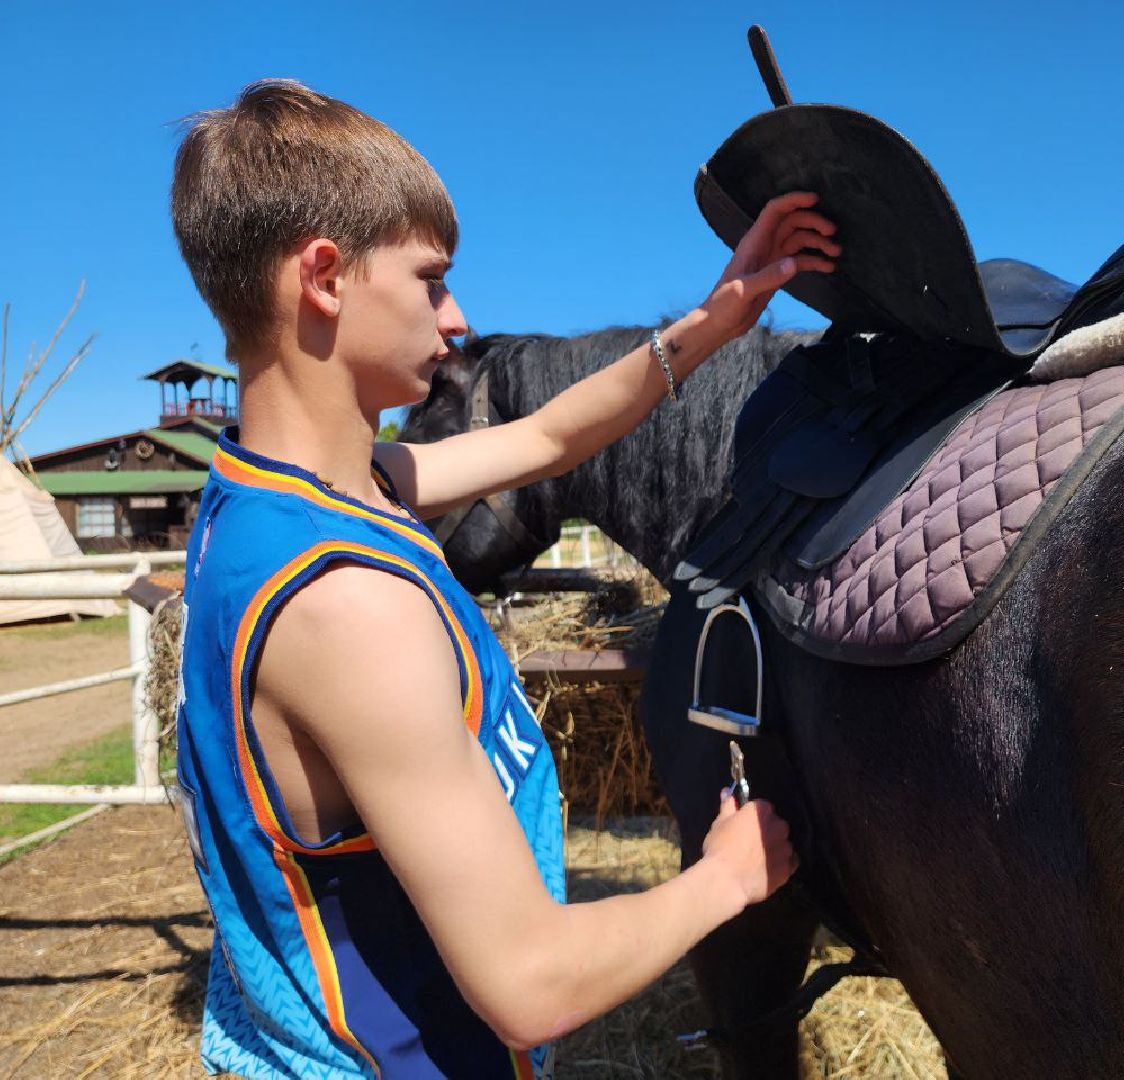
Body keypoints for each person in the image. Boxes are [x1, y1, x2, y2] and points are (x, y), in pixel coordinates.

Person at [170, 79, 839, 1079]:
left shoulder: (284, 498)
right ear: (324, 277)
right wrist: (727, 878)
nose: (456, 315)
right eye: (432, 279)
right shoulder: (349, 608)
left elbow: (549, 435)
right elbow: (530, 984)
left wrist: (718, 316)